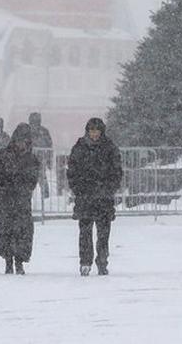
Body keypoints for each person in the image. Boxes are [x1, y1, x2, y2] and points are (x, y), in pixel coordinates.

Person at [66, 117, 123, 276]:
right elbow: (72, 170)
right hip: (85, 196)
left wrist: (109, 188)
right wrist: (78, 188)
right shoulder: (79, 148)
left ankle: (102, 260)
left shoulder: (110, 148)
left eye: (97, 130)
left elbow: (116, 171)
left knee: (103, 232)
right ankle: (85, 261)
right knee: (85, 232)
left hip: (103, 197)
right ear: (87, 131)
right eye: (92, 130)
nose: (94, 133)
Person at [0, 122, 41, 274]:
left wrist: (21, 186)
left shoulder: (31, 159)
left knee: (23, 232)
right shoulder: (3, 155)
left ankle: (19, 261)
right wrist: (2, 186)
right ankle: (9, 261)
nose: (21, 144)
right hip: (5, 199)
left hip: (21, 200)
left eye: (25, 141)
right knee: (5, 231)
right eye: (19, 141)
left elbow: (32, 180)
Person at [28, 111, 54, 198]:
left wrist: (49, 160)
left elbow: (49, 146)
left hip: (37, 159)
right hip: (34, 160)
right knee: (40, 179)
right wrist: (49, 160)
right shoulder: (43, 131)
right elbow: (49, 146)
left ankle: (44, 198)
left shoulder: (42, 131)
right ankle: (43, 197)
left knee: (40, 179)